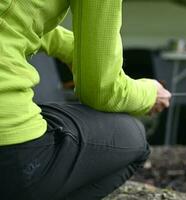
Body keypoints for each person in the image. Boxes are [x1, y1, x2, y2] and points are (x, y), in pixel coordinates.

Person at [0, 0, 171, 199]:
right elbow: (102, 90)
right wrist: (149, 94)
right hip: (9, 151)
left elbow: (15, 16)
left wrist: (72, 48)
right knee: (132, 137)